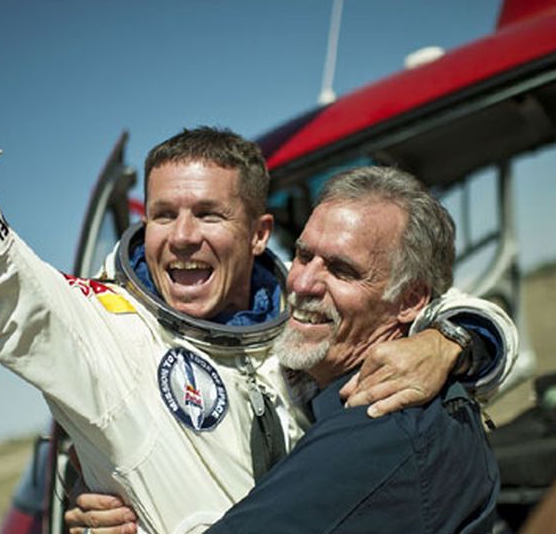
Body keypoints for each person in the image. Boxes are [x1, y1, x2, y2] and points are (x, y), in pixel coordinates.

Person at [0, 0, 516, 533]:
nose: (180, 238)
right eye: (162, 215)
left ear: (260, 234)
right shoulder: (101, 333)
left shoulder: (304, 323)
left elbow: (440, 305)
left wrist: (455, 343)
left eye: (208, 215)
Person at [205, 166, 500, 533]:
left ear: (409, 300)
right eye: (302, 255)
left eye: (342, 270)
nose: (302, 282)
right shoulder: (343, 393)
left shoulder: (377, 430)